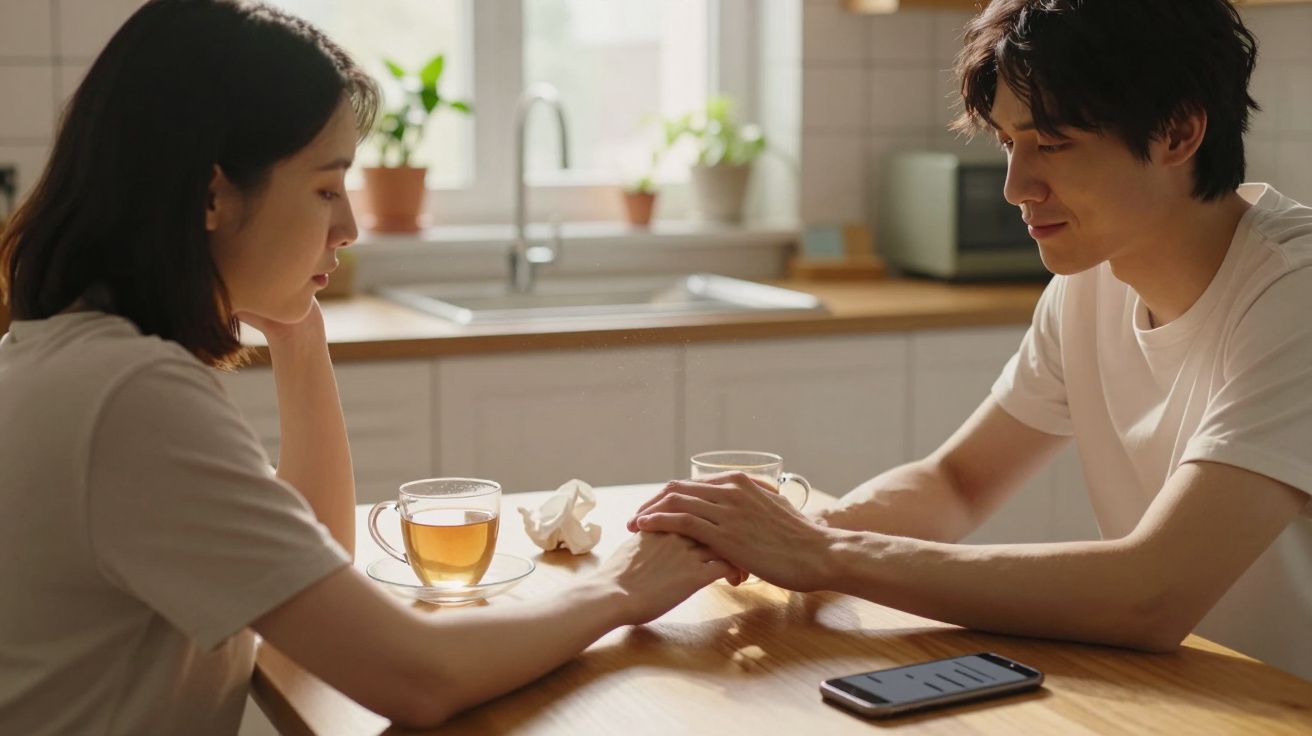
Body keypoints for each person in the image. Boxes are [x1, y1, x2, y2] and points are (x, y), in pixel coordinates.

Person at [0, 2, 735, 733]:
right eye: (326, 190)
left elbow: (313, 564)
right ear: (213, 194)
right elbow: (414, 675)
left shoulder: (74, 360)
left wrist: (299, 337)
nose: (348, 229)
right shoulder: (131, 397)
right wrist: (619, 589)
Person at [631, 0, 1312, 680]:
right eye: (1009, 143)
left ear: (1177, 132)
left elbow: (1151, 593)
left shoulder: (1294, 293)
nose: (1017, 186)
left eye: (1052, 143)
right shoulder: (1091, 282)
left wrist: (822, 555)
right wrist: (802, 528)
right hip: (1197, 694)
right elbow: (955, 484)